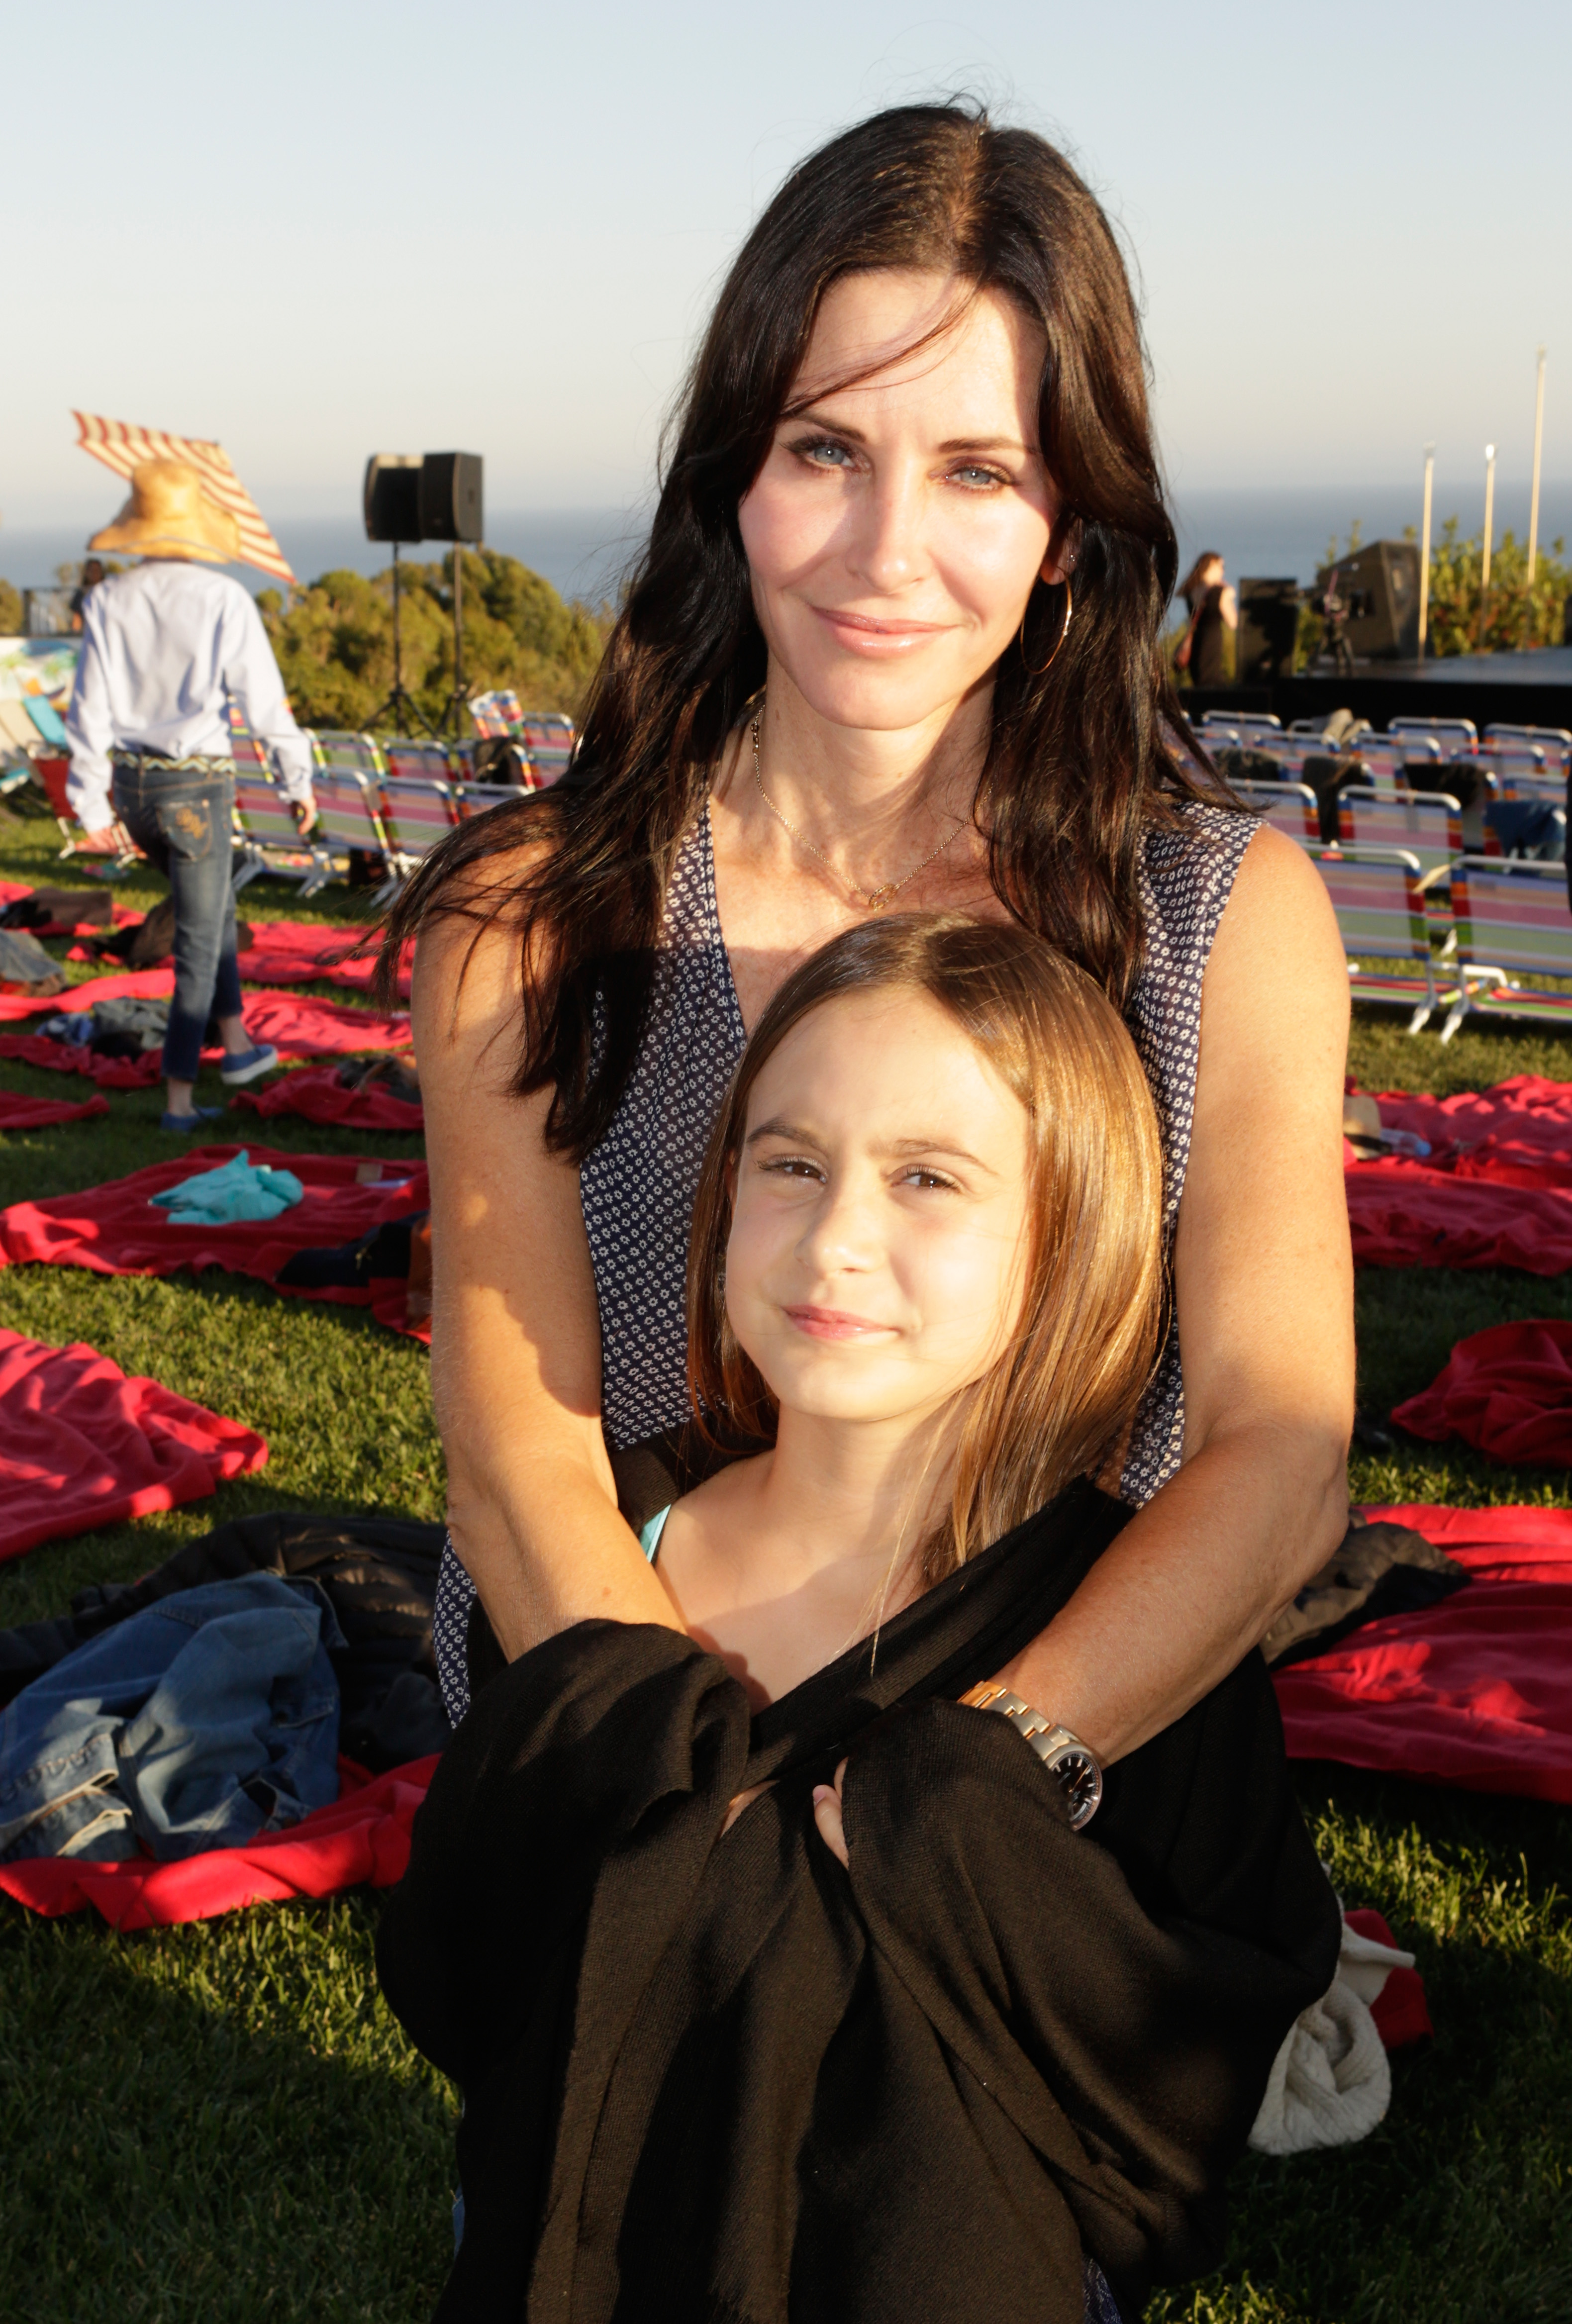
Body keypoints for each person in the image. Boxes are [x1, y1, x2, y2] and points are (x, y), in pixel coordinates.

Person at [388, 97, 1351, 1960]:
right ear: (735, 472)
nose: (884, 549)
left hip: (1042, 1812)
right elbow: (519, 1447)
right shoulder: (528, 918)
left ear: (1073, 525)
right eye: (824, 447)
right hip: (624, 1783)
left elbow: (1278, 1439)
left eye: (980, 472)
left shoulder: (1222, 926)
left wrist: (951, 1798)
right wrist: (719, 1826)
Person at [378, 915, 1341, 2323]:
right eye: (791, 1165)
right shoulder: (626, 1556)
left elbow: (1175, 2099)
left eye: (928, 1180)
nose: (835, 1240)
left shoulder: (1122, 1627)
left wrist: (964, 1838)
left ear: (1068, 1233)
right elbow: (469, 1972)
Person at [66, 459, 318, 1131]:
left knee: (211, 910)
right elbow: (265, 707)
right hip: (196, 790)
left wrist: (92, 806)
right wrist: (297, 780)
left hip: (132, 789)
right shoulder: (222, 598)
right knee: (201, 942)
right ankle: (179, 1098)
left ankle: (236, 1044)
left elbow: (87, 710)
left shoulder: (108, 599)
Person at [1175, 550, 1237, 686]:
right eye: (1222, 567)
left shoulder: (1191, 589)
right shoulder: (1221, 593)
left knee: (1200, 682)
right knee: (1213, 682)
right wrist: (1230, 595)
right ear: (1213, 565)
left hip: (1196, 642)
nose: (1223, 571)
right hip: (1212, 641)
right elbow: (1233, 623)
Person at [68, 557, 106, 631]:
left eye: (97, 570)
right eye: (91, 570)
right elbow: (77, 619)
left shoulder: (108, 593)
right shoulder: (81, 594)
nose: (94, 573)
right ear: (86, 572)